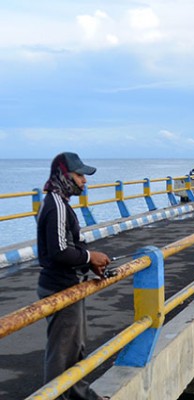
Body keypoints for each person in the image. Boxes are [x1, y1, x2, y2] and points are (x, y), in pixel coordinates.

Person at [37, 152, 111, 400]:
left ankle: (79, 395)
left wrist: (88, 263)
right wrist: (90, 257)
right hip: (59, 287)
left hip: (69, 283)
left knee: (75, 348)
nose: (84, 181)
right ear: (63, 175)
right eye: (79, 175)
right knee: (61, 352)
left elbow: (70, 244)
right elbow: (59, 251)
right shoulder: (56, 204)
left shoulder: (61, 204)